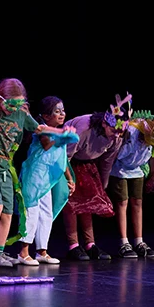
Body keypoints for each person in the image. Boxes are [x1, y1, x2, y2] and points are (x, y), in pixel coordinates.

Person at [0, 81, 77, 267]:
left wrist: (61, 132)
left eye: (19, 104)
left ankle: (2, 251)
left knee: (9, 211)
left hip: (7, 165)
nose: (15, 108)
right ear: (1, 99)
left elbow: (41, 130)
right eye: (12, 104)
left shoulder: (21, 114)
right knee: (0, 207)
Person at [62, 93, 133, 261]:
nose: (117, 135)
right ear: (104, 123)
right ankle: (73, 245)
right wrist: (68, 179)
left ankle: (90, 244)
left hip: (87, 163)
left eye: (120, 132)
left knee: (89, 202)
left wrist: (102, 184)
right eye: (114, 130)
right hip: (65, 162)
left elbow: (107, 162)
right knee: (72, 203)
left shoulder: (116, 137)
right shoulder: (84, 128)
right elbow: (65, 155)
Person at [16, 96, 79, 266]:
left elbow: (62, 157)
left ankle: (42, 251)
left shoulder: (59, 132)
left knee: (46, 213)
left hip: (47, 179)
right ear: (45, 116)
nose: (62, 114)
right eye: (56, 111)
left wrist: (69, 178)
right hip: (35, 176)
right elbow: (47, 145)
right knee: (32, 212)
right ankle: (23, 252)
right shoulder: (43, 130)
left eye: (62, 111)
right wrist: (62, 137)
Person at [107, 109, 154, 258]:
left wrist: (151, 178)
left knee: (137, 202)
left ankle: (139, 241)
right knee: (122, 202)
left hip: (137, 170)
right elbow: (117, 154)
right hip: (119, 168)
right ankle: (124, 243)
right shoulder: (132, 131)